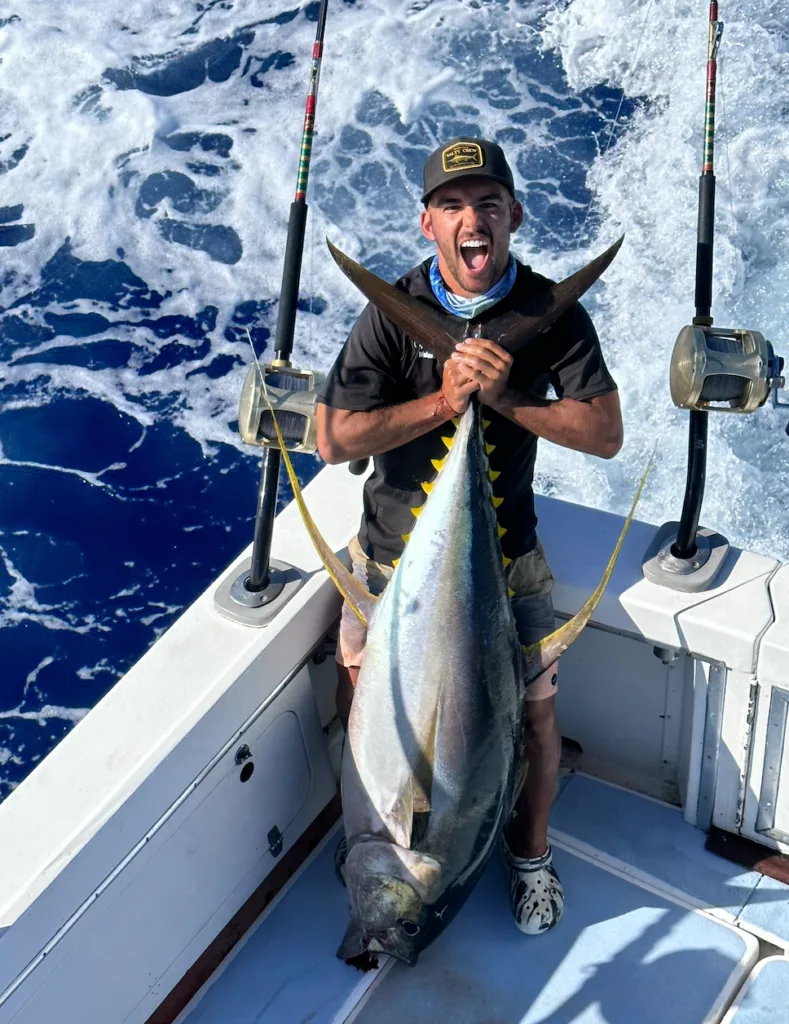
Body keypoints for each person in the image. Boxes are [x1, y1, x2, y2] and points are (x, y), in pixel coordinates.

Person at [316, 137, 623, 936]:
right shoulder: (391, 310)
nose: (471, 219)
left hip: (504, 556)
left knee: (536, 711)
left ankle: (530, 856)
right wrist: (445, 403)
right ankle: (361, 831)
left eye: (487, 204)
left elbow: (603, 434)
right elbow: (332, 439)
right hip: (388, 553)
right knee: (361, 697)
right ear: (428, 223)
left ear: (513, 215)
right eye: (452, 206)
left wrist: (505, 392)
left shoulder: (550, 310)